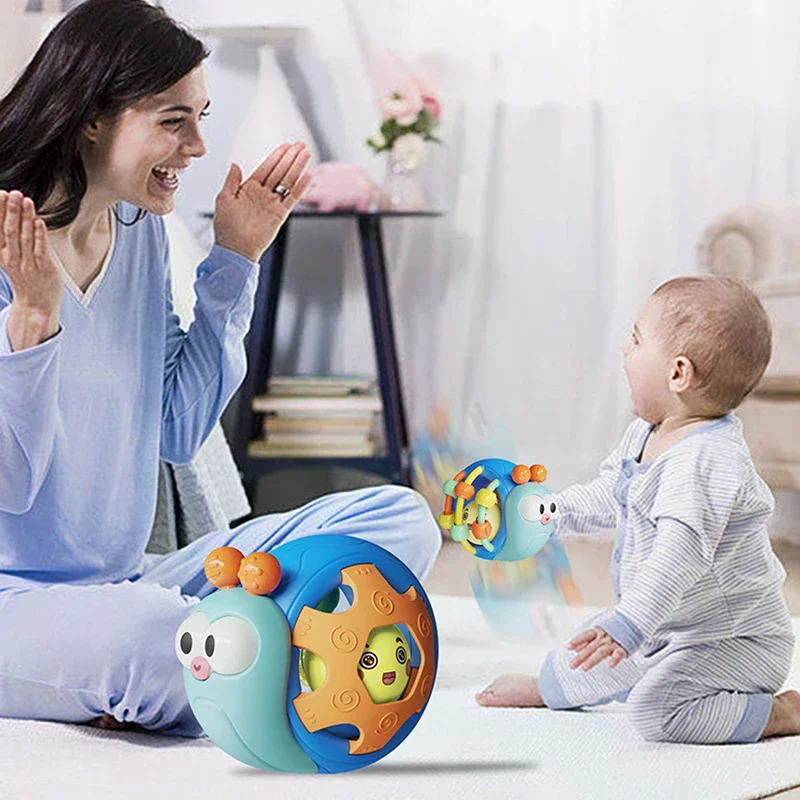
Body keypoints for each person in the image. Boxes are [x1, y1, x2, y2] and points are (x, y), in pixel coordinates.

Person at [0, 0, 440, 737]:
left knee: (399, 521)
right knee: (156, 641)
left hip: (131, 577)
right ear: (92, 118)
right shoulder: (7, 241)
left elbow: (175, 428)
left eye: (201, 116)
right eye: (174, 120)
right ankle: (236, 654)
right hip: (17, 601)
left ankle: (229, 654)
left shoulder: (137, 231)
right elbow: (12, 488)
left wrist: (235, 260)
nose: (199, 145)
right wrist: (35, 323)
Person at [476, 275, 800, 743]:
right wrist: (548, 510)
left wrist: (631, 623)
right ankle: (552, 688)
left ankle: (780, 713)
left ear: (677, 374)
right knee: (591, 647)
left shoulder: (707, 460)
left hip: (735, 640)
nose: (624, 350)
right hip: (671, 622)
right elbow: (613, 493)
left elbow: (678, 557)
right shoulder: (651, 431)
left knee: (655, 711)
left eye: (635, 339)